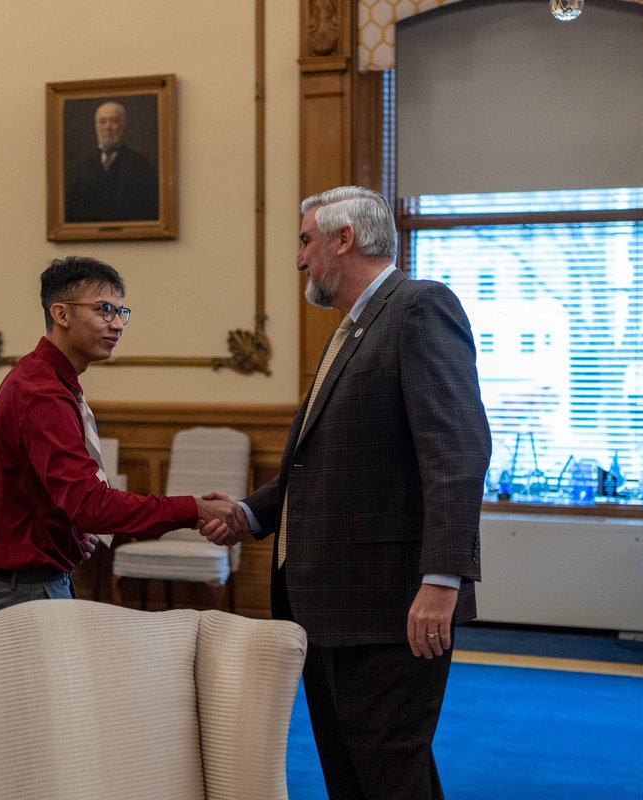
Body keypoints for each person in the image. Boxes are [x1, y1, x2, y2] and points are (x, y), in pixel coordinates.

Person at [207, 186, 491, 799]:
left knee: (391, 774)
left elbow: (458, 456)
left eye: (305, 240)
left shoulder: (418, 309)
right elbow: (324, 462)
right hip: (333, 607)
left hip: (390, 607)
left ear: (344, 238)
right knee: (353, 774)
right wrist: (249, 513)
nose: (299, 259)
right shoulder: (356, 327)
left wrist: (442, 580)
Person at [0, 256, 233, 619]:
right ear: (61, 314)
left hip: (27, 584)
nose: (117, 325)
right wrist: (195, 509)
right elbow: (90, 506)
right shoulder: (42, 392)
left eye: (121, 313)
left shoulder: (40, 378)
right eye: (104, 310)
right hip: (23, 593)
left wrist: (65, 526)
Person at [64, 101, 159, 223]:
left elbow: (150, 214)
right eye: (102, 121)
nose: (108, 127)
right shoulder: (80, 169)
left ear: (123, 125)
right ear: (96, 126)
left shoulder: (142, 167)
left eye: (114, 121)